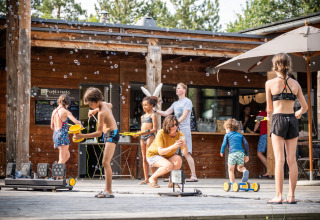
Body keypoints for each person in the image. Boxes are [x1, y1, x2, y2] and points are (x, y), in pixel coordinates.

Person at [266, 53, 307, 204]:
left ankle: (278, 196)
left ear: (275, 65)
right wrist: (298, 112)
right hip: (291, 120)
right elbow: (305, 107)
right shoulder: (296, 84)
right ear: (288, 65)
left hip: (278, 119)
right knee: (292, 161)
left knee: (279, 160)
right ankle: (291, 196)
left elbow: (269, 109)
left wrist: (270, 117)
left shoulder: (270, 83)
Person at [74, 87, 119, 198]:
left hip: (111, 135)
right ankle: (106, 189)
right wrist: (94, 110)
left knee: (105, 162)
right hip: (110, 133)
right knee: (105, 162)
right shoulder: (104, 104)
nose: (90, 107)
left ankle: (109, 191)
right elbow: (111, 105)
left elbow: (98, 133)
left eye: (90, 105)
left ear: (97, 101)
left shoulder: (101, 113)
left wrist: (81, 136)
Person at [153, 82, 198, 182]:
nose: (176, 90)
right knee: (174, 154)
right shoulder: (175, 103)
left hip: (184, 130)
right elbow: (165, 113)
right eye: (176, 88)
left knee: (186, 153)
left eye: (179, 88)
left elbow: (184, 115)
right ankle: (173, 176)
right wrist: (155, 110)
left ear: (184, 90)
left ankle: (194, 176)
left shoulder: (187, 101)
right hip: (175, 130)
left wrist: (175, 124)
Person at [146, 115, 188, 188]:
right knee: (169, 165)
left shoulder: (180, 134)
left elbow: (185, 153)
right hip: (153, 155)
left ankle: (173, 182)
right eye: (172, 125)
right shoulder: (161, 133)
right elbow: (161, 152)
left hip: (166, 156)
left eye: (176, 124)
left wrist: (184, 145)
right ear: (167, 125)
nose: (175, 127)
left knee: (178, 159)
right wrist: (174, 146)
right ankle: (152, 178)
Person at [50, 94, 82, 164]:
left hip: (55, 135)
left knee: (67, 155)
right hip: (63, 136)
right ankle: (57, 175)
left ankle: (58, 173)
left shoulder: (54, 111)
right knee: (61, 159)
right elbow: (76, 121)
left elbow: (52, 127)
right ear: (66, 103)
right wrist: (81, 125)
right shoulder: (65, 111)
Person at [134, 96, 158, 185]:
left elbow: (155, 129)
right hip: (142, 137)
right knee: (144, 158)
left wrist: (146, 132)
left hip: (150, 136)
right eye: (143, 105)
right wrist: (138, 133)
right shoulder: (142, 117)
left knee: (149, 157)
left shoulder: (153, 115)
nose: (144, 107)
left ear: (151, 105)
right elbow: (141, 129)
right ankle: (146, 179)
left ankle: (154, 179)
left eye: (146, 105)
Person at [220, 118, 250, 183]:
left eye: (225, 129)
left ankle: (233, 184)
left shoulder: (227, 135)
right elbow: (246, 144)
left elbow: (224, 144)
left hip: (232, 154)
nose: (225, 130)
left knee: (231, 170)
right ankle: (244, 171)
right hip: (241, 153)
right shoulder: (240, 135)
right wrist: (246, 155)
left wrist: (222, 152)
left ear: (228, 128)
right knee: (240, 167)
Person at [253, 109, 272, 178]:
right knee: (270, 154)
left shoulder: (261, 113)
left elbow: (257, 123)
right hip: (273, 135)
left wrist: (254, 131)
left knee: (259, 153)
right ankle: (270, 172)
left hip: (264, 135)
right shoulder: (274, 113)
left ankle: (270, 171)